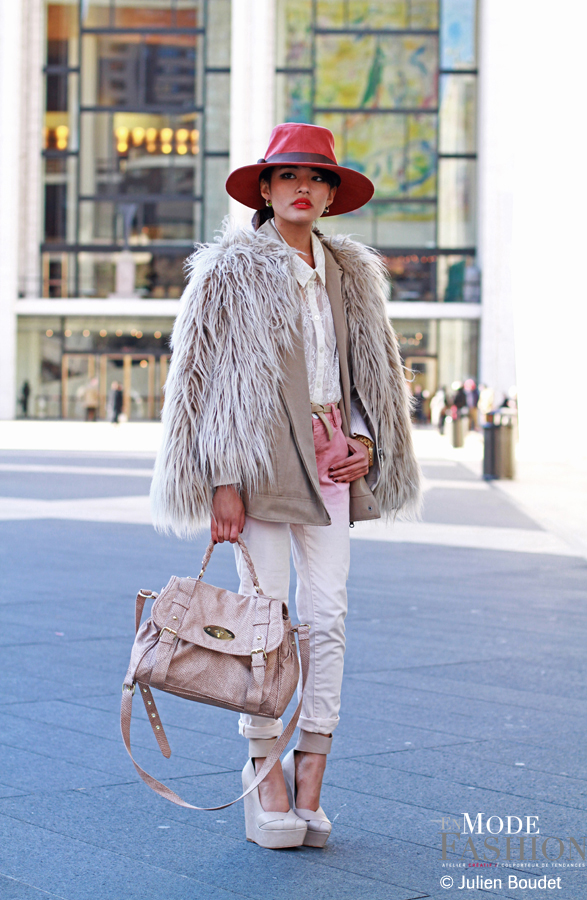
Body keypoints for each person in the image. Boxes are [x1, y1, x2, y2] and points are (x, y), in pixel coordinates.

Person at [151, 123, 421, 849]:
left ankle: (313, 767)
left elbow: (368, 370)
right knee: (262, 624)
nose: (306, 187)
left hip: (332, 455)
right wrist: (222, 481)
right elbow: (203, 384)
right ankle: (263, 767)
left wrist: (366, 438)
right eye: (290, 176)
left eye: (320, 178)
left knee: (328, 617)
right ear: (266, 190)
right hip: (259, 459)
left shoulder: (352, 272)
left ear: (332, 195)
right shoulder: (229, 270)